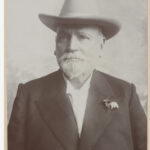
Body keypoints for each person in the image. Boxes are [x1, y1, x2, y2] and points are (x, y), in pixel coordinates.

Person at [8, 0, 147, 150]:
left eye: (83, 37)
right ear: (55, 47)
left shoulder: (126, 95)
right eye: (63, 37)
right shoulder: (29, 95)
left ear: (100, 47)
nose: (72, 46)